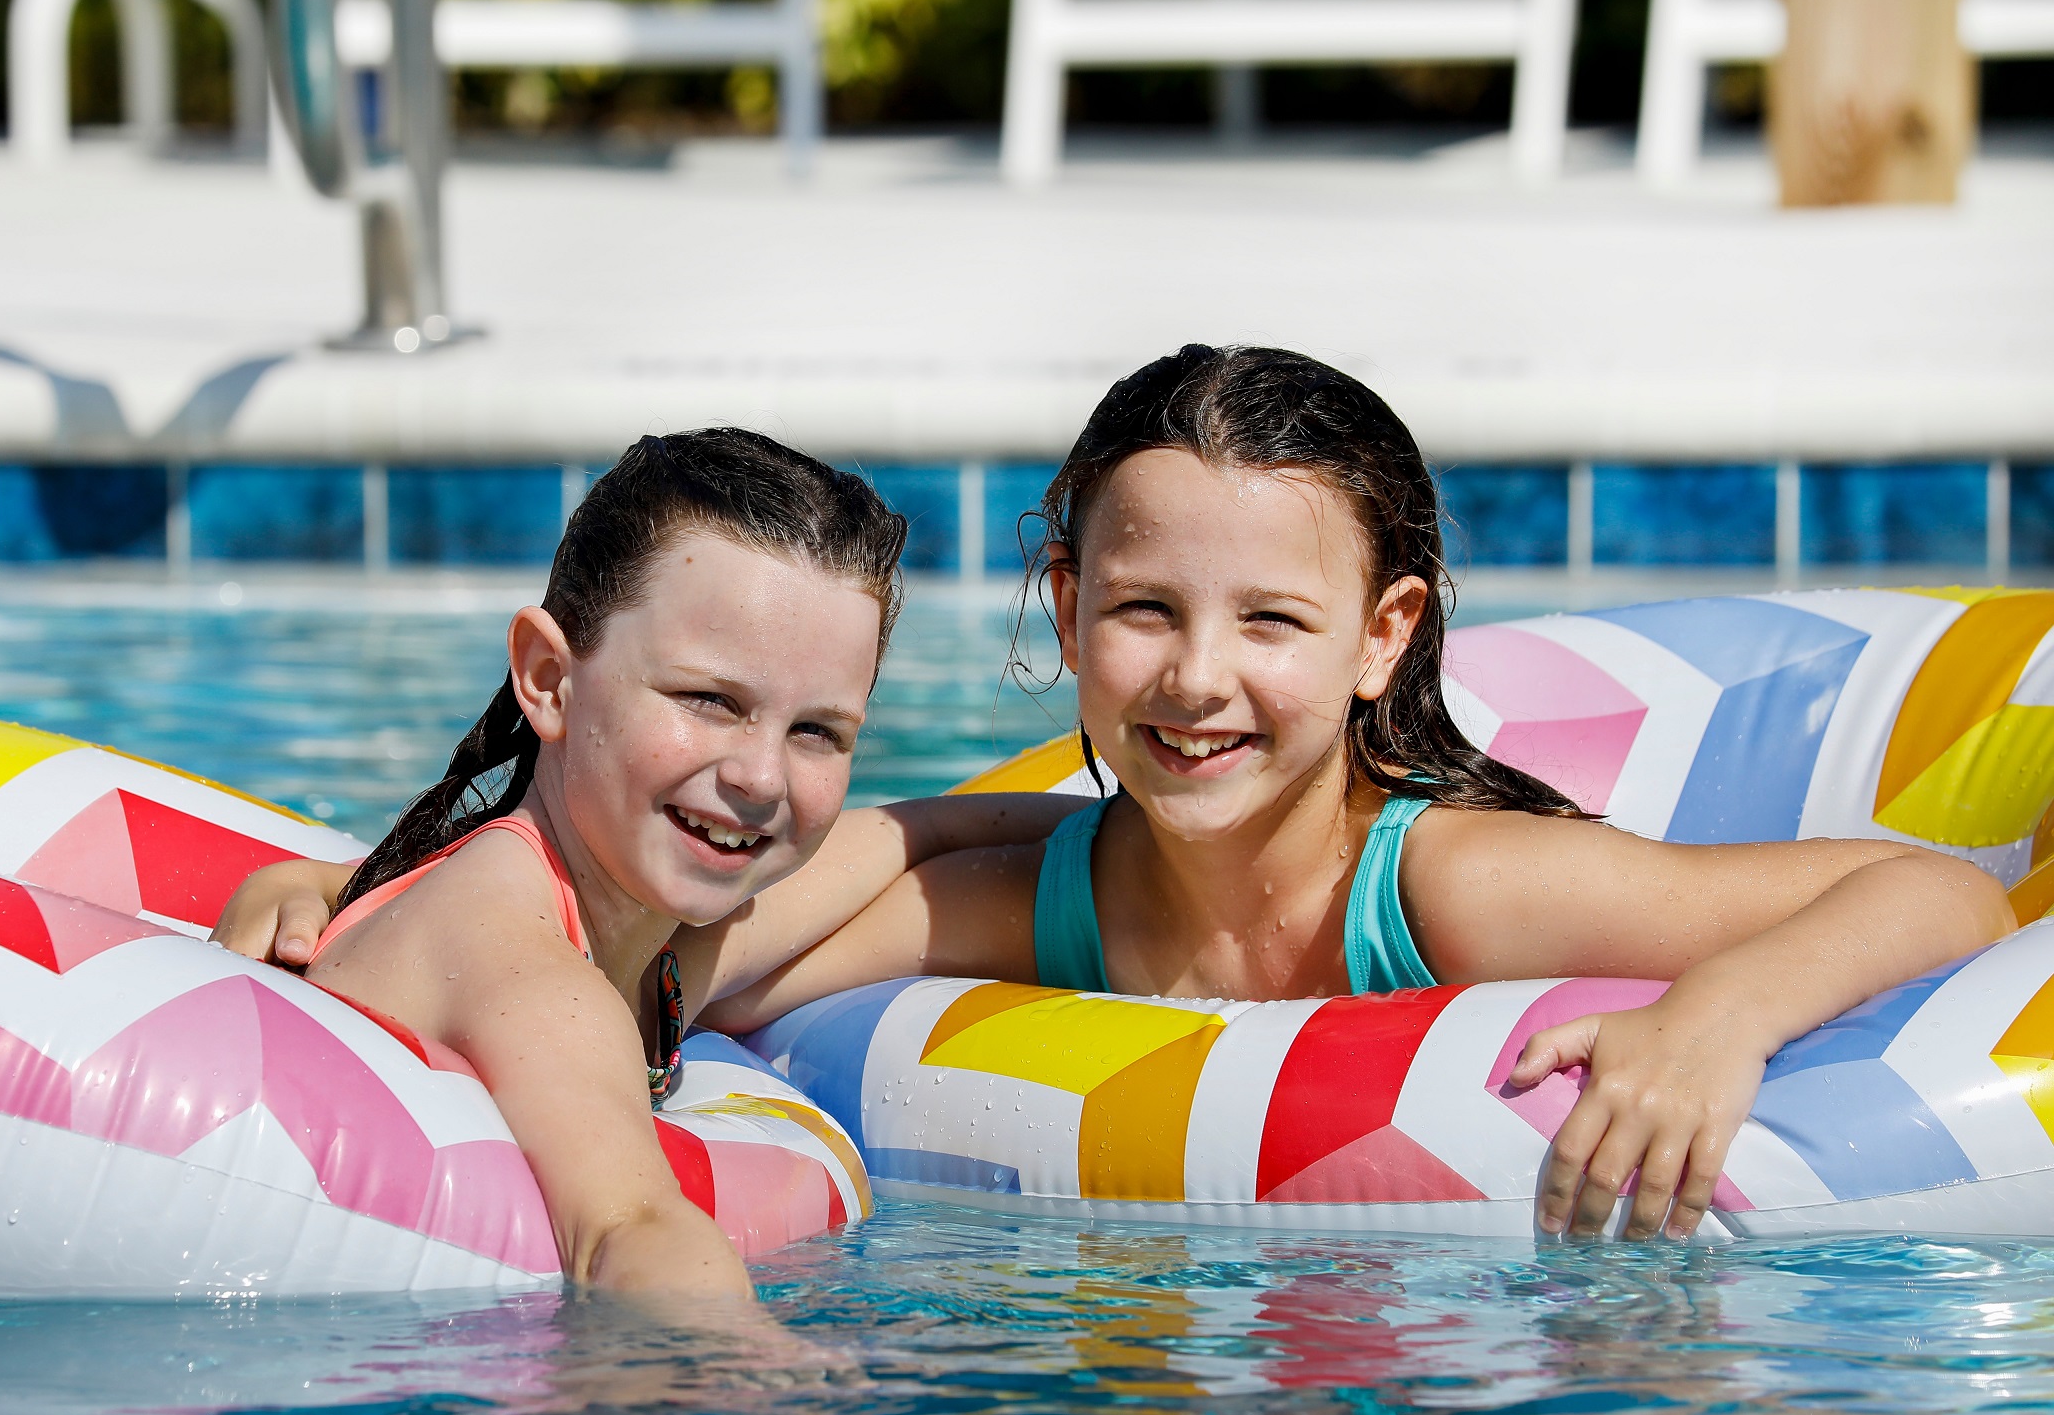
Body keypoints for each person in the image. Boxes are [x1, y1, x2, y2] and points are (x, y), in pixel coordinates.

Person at [235, 350, 2015, 1249]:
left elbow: (1943, 892)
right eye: (1144, 610)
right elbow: (691, 949)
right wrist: (397, 888)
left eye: (1272, 624)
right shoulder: (1056, 896)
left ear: (1384, 637)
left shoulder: (1447, 883)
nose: (1195, 679)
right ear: (1067, 604)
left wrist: (1715, 1017)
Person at [230, 429, 1062, 1310]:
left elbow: (914, 831)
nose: (761, 778)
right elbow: (628, 1232)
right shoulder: (531, 965)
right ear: (549, 679)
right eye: (709, 700)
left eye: (817, 731)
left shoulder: (651, 943)